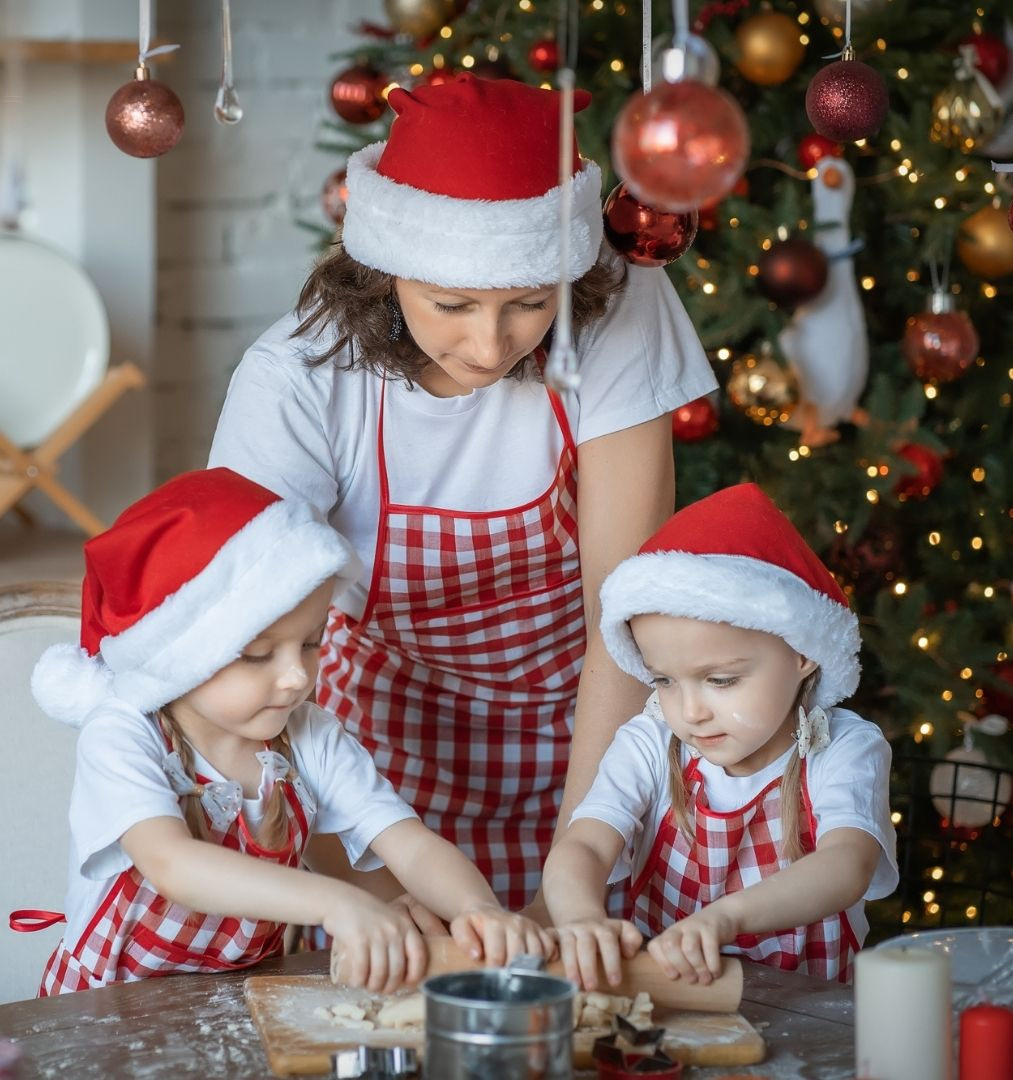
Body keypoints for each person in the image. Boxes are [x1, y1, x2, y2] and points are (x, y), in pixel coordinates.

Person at [208, 74, 718, 913]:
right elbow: (251, 657)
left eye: (530, 302)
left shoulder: (620, 304)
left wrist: (575, 870)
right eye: (451, 304)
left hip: (598, 740)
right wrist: (373, 896)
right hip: (373, 768)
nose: (490, 345)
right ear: (384, 270)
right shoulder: (293, 380)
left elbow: (625, 611)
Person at [16, 468, 550, 996]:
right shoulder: (123, 735)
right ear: (179, 658)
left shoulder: (309, 738)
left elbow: (409, 844)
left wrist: (477, 910)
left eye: (312, 643)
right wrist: (334, 902)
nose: (297, 676)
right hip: (105, 1013)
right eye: (258, 654)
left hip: (242, 1003)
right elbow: (172, 864)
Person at [542, 483, 898, 987]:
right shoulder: (649, 745)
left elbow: (847, 863)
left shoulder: (841, 749)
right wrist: (579, 917)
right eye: (664, 681)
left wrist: (726, 919)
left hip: (814, 1011)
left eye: (721, 680)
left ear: (802, 652)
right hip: (676, 1007)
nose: (690, 713)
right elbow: (585, 846)